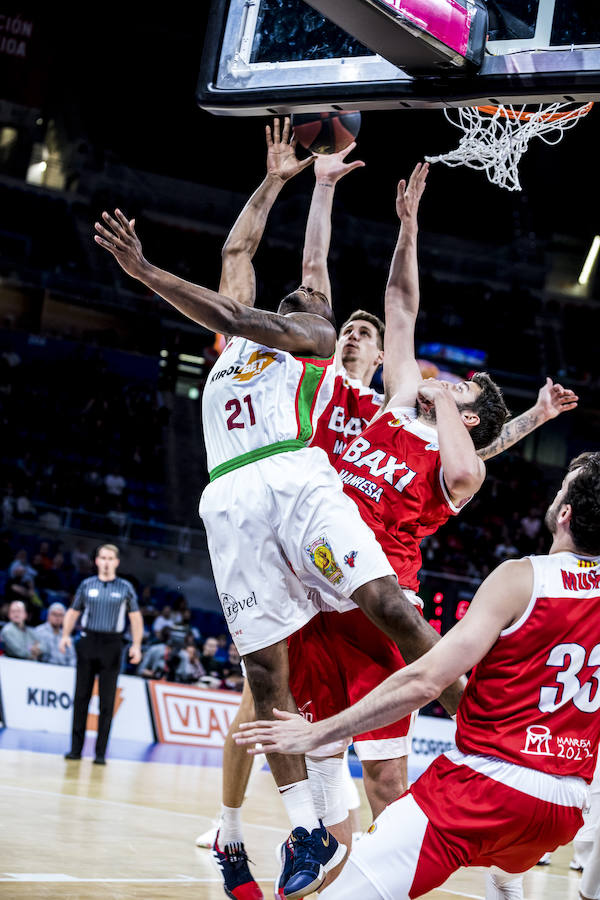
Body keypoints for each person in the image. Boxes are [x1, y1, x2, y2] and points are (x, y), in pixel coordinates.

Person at [94, 117, 475, 900]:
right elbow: (240, 255)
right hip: (229, 498)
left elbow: (242, 308)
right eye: (306, 283)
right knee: (265, 676)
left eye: (315, 288)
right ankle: (301, 826)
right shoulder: (241, 345)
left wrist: (143, 271)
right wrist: (281, 179)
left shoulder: (306, 330)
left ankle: (485, 718)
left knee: (388, 607)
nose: (307, 285)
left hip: (295, 482)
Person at [236, 451, 600, 900]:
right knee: (506, 874)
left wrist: (318, 733)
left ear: (564, 513)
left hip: (486, 790)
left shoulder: (521, 577)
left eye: (563, 486)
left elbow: (424, 680)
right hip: (565, 807)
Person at [60, 544, 143, 764]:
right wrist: (65, 635)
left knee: (107, 702)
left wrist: (136, 645)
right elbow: (73, 611)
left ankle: (100, 753)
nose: (106, 562)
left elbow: (135, 617)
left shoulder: (125, 587)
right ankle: (75, 750)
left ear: (116, 562)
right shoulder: (87, 584)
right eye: (102, 558)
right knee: (81, 698)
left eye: (110, 558)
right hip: (88, 641)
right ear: (97, 561)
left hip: (112, 645)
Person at [35, 602, 76, 666]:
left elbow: (72, 657)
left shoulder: (66, 636)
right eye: (54, 614)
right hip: (44, 667)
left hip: (64, 669)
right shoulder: (39, 631)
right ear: (48, 616)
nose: (57, 618)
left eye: (60, 615)